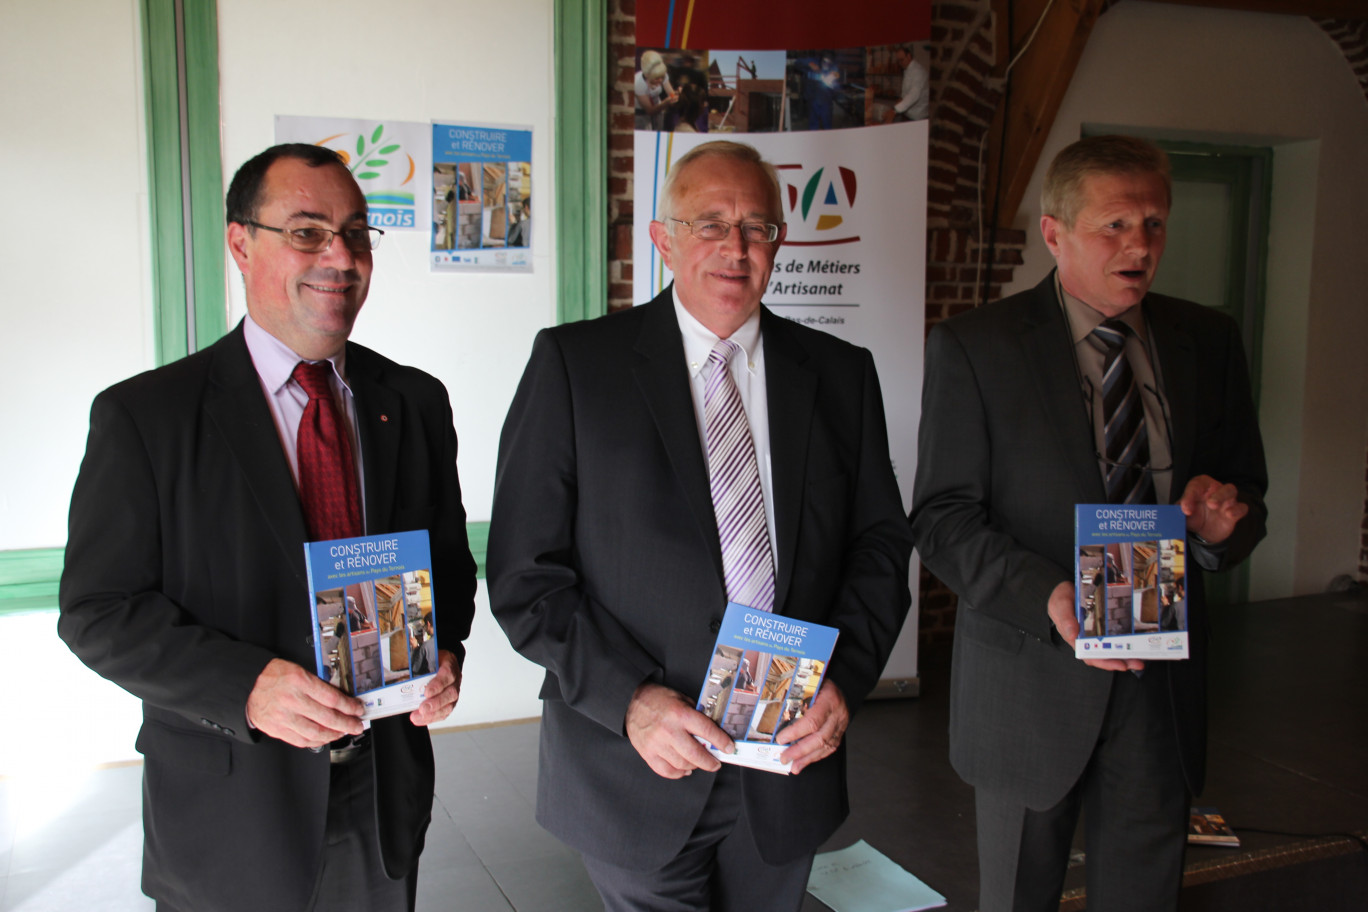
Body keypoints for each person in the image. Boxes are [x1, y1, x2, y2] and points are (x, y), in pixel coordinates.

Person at [487, 140, 912, 911]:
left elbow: (880, 546)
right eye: (710, 223)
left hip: (786, 765)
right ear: (663, 239)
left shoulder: (841, 375)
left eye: (757, 227)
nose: (736, 247)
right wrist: (631, 701)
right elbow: (525, 577)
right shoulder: (576, 366)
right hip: (634, 765)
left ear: (779, 242)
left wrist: (846, 680)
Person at [58, 142, 479, 912]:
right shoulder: (147, 417)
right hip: (230, 815)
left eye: (355, 233)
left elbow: (448, 565)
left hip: (382, 800)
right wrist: (245, 688)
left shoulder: (414, 402)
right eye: (308, 231)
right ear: (240, 243)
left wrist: (446, 647)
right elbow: (99, 613)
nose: (341, 257)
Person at [909, 134, 1268, 912]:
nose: (1140, 245)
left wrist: (1218, 529)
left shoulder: (1209, 342)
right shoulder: (978, 348)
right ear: (1054, 232)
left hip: (1160, 686)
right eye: (1115, 225)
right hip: (1030, 682)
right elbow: (942, 520)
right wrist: (1051, 598)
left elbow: (1248, 502)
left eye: (1154, 224)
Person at [884, 43, 928, 122]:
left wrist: (895, 110)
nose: (900, 63)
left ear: (909, 56)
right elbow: (906, 93)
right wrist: (895, 105)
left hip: (918, 117)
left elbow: (914, 95)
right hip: (907, 114)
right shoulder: (907, 70)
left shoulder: (918, 72)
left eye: (902, 60)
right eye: (898, 61)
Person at [635, 49, 676, 131]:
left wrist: (673, 96)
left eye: (662, 78)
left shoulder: (661, 74)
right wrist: (666, 103)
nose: (660, 80)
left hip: (659, 110)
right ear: (647, 75)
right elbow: (650, 111)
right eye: (656, 79)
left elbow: (671, 93)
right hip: (640, 114)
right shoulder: (638, 83)